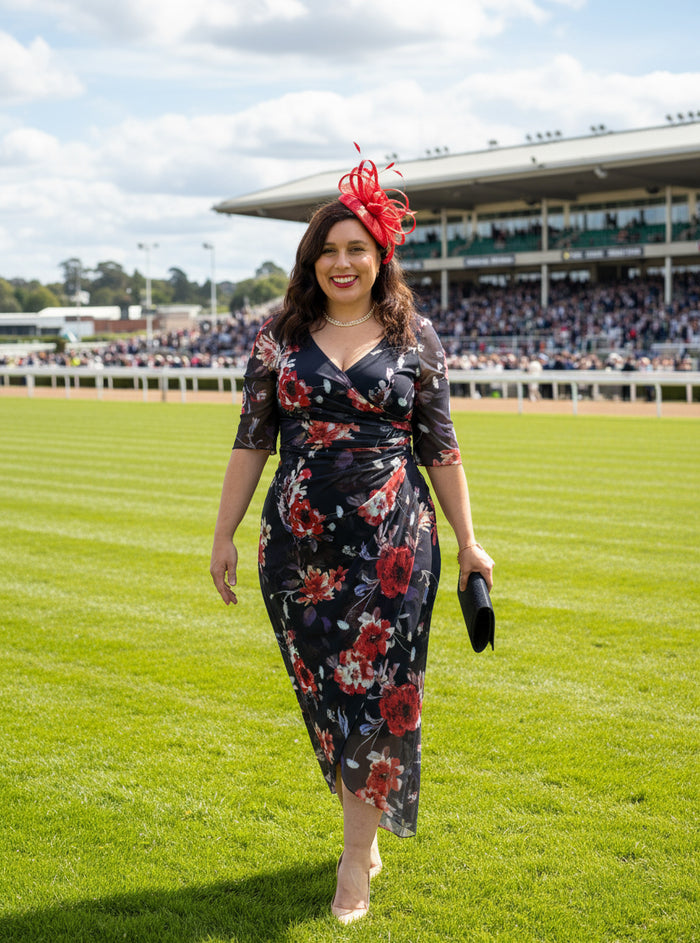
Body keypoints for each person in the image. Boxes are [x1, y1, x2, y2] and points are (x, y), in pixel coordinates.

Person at [210, 149, 494, 924]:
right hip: (296, 552)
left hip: (394, 547)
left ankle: (353, 860)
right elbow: (250, 441)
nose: (342, 262)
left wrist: (469, 541)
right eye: (328, 250)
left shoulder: (416, 338)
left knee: (376, 696)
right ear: (312, 261)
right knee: (326, 698)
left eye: (356, 249)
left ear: (379, 257)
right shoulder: (277, 338)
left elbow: (442, 448)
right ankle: (362, 828)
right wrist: (224, 533)